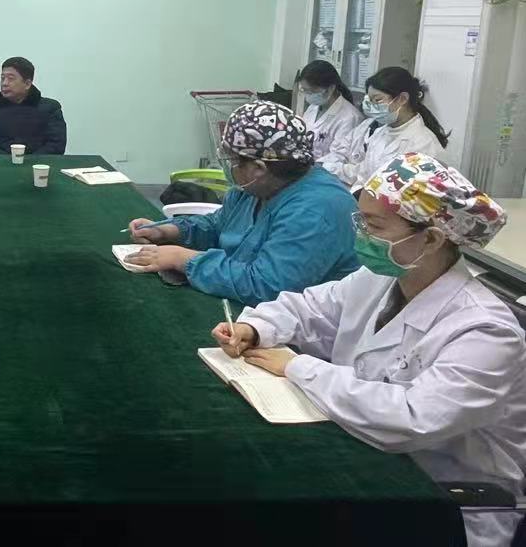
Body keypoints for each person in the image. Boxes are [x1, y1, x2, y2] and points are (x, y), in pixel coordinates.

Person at [213, 153, 525, 547]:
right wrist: (255, 328)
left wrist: (298, 367)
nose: (360, 236)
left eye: (373, 226)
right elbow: (308, 309)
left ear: (431, 239)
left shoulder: (486, 331)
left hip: (449, 501)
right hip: (369, 461)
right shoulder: (377, 279)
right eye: (359, 222)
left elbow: (411, 418)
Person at [125, 101, 359, 307]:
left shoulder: (316, 210)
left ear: (258, 168)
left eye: (231, 160)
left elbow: (267, 286)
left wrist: (183, 259)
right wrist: (171, 231)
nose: (227, 166)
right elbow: (218, 225)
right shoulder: (256, 187)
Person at [318, 67, 448, 191]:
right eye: (370, 101)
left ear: (402, 99)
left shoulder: (424, 144)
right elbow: (364, 174)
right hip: (366, 200)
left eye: (377, 100)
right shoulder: (380, 133)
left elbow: (412, 195)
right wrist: (329, 168)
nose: (371, 106)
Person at [0, 57, 66, 155]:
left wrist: (29, 161)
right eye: (2, 78)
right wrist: (9, 160)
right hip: (1, 163)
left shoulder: (50, 109)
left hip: (38, 164)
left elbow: (56, 145)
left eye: (10, 79)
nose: (4, 83)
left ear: (27, 84)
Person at [297, 59, 363, 159]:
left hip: (327, 167)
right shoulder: (313, 107)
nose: (307, 95)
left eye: (311, 91)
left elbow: (339, 157)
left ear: (330, 89)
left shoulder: (350, 118)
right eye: (304, 90)